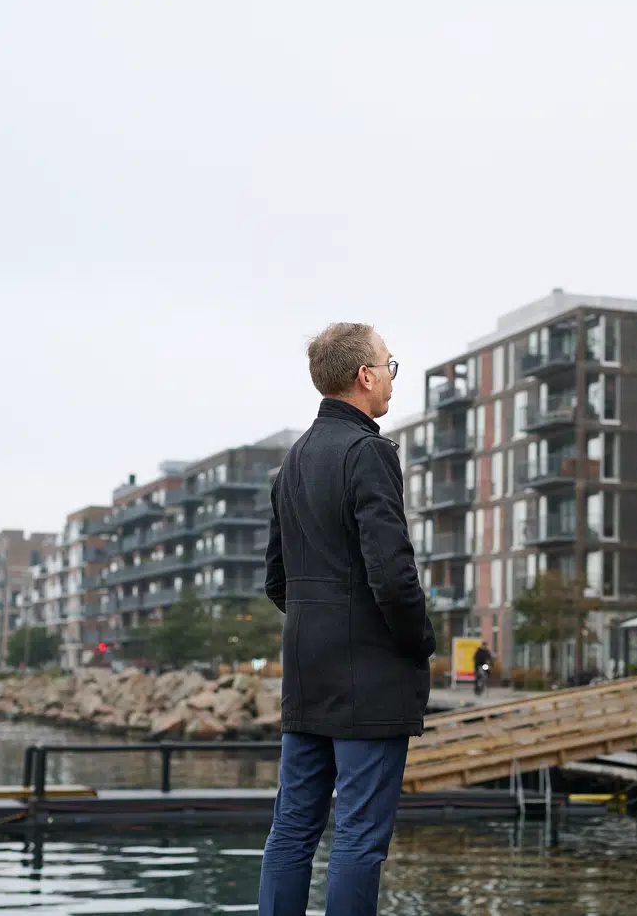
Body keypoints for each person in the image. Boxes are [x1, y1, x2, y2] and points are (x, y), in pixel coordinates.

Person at [258, 322, 437, 916]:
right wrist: (419, 644)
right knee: (360, 836)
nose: (390, 377)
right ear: (364, 375)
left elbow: (276, 580)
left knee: (293, 828)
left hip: (307, 671)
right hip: (370, 675)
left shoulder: (294, 459)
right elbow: (392, 573)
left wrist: (323, 621)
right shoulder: (367, 452)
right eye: (388, 365)